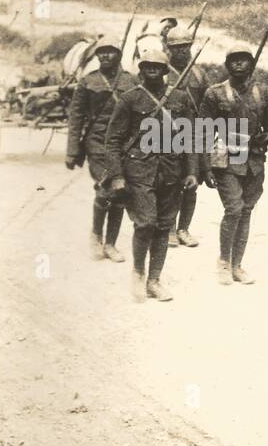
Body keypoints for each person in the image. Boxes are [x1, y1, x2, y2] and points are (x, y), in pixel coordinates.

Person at [103, 44, 199, 302]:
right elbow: (113, 141)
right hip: (139, 170)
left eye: (158, 67)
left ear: (165, 70)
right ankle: (138, 272)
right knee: (145, 223)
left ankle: (154, 280)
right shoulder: (130, 99)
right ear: (142, 70)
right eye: (148, 67)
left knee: (164, 226)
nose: (153, 71)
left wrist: (191, 171)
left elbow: (189, 138)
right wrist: (117, 176)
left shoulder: (179, 99)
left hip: (171, 171)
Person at [198, 48, 268, 285]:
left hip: (254, 160)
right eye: (233, 61)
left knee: (246, 210)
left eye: (243, 61)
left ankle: (237, 264)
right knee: (234, 209)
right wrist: (205, 167)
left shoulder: (262, 92)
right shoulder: (214, 94)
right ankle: (224, 262)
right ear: (227, 65)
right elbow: (204, 132)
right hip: (226, 159)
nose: (238, 65)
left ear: (252, 64)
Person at [65, 34, 138, 261]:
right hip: (97, 143)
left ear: (119, 54)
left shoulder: (132, 81)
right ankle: (96, 235)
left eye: (110, 51)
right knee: (107, 187)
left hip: (123, 145)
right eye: (101, 52)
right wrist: (72, 150)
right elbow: (76, 117)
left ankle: (111, 244)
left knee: (122, 191)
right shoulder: (88, 81)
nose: (105, 55)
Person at [166, 24, 210, 248]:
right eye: (177, 48)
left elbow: (207, 105)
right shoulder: (162, 71)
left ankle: (184, 228)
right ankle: (170, 228)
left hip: (194, 134)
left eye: (186, 47)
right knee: (172, 182)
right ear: (169, 49)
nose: (182, 52)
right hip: (169, 133)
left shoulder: (199, 74)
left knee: (193, 182)